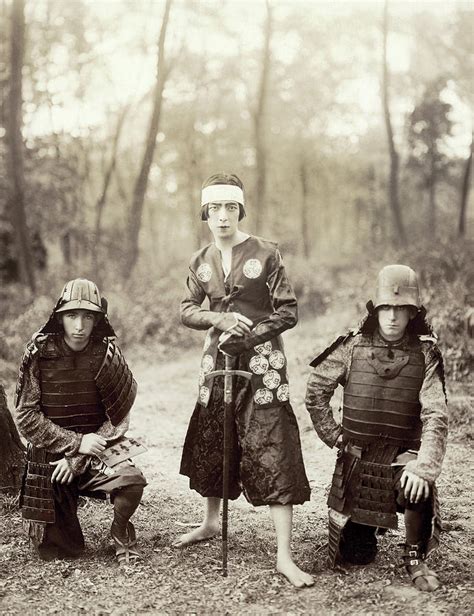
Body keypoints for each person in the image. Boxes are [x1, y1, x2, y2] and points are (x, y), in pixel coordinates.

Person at [175, 172, 313, 588]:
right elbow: (186, 309)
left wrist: (249, 336)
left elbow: (288, 311)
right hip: (216, 364)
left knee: (272, 445)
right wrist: (216, 318)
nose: (222, 217)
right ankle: (210, 522)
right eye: (214, 209)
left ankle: (284, 556)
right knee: (216, 438)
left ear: (240, 210)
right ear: (205, 213)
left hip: (263, 365)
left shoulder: (267, 254)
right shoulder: (200, 262)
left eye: (229, 208)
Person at [305, 265, 448, 591]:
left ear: (413, 313)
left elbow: (436, 416)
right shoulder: (351, 347)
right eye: (387, 307)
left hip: (403, 458)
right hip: (358, 461)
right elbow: (315, 393)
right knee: (356, 554)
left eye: (402, 309)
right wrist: (335, 435)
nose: (393, 317)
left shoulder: (425, 353)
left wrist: (423, 468)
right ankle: (365, 528)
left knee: (417, 481)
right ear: (376, 308)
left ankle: (414, 552)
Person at [15, 279, 146, 564]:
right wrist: (75, 444)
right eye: (72, 315)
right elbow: (26, 417)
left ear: (98, 319)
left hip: (98, 447)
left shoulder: (105, 353)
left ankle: (120, 530)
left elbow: (119, 416)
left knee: (132, 482)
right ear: (59, 316)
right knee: (62, 550)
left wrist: (80, 456)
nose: (79, 325)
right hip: (51, 456)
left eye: (88, 316)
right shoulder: (40, 353)